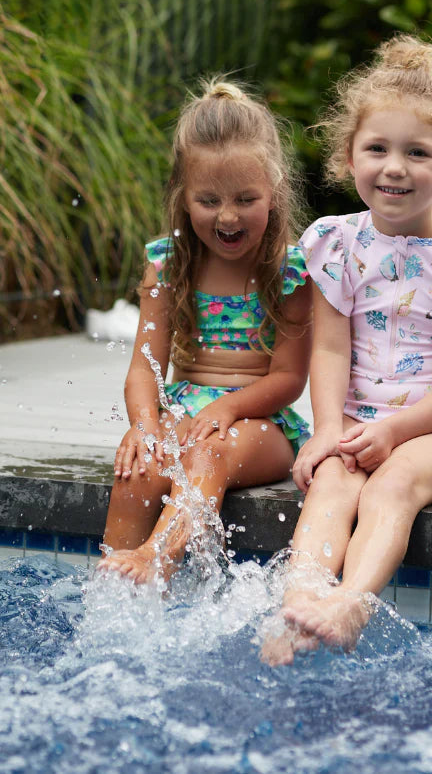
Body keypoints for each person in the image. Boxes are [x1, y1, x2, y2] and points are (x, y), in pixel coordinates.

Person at [263, 35, 432, 662]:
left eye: (417, 152)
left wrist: (396, 432)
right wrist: (328, 429)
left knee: (389, 490)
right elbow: (328, 351)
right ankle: (297, 608)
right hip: (355, 423)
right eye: (376, 148)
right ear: (348, 158)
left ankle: (351, 603)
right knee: (332, 486)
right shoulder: (338, 243)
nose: (395, 167)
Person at [100, 80, 312, 585]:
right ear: (183, 196)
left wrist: (228, 408)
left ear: (274, 192)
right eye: (209, 200)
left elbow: (288, 377)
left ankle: (159, 560)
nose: (228, 215)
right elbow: (142, 370)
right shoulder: (168, 266)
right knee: (140, 466)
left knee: (209, 451)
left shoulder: (291, 273)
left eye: (246, 198)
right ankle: (110, 584)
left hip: (261, 421)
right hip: (186, 408)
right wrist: (145, 425)